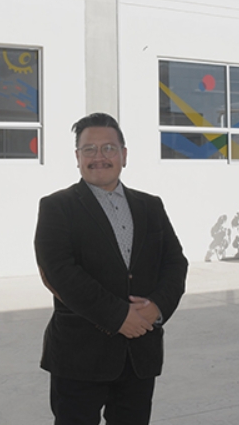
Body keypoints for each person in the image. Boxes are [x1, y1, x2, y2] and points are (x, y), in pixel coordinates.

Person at [34, 112, 188, 425]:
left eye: (109, 148)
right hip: (80, 356)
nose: (99, 157)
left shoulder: (151, 206)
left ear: (124, 155)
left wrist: (157, 307)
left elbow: (175, 263)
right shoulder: (56, 207)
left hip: (139, 353)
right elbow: (59, 273)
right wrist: (119, 317)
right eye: (89, 149)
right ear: (77, 157)